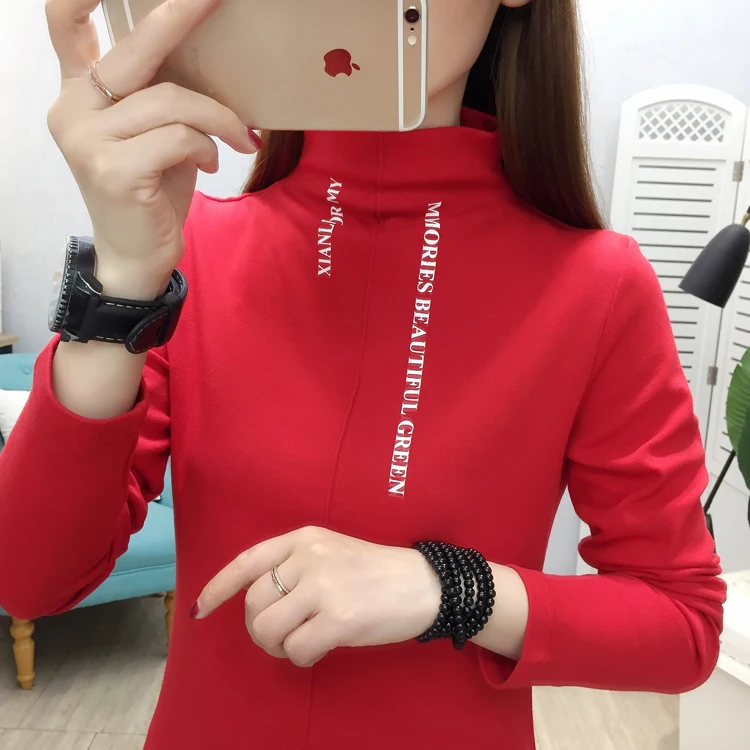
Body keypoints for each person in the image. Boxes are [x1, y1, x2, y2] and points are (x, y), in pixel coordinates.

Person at [0, 0, 726, 748]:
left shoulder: (596, 287)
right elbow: (28, 577)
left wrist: (455, 590)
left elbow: (684, 625)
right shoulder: (190, 254)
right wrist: (122, 279)